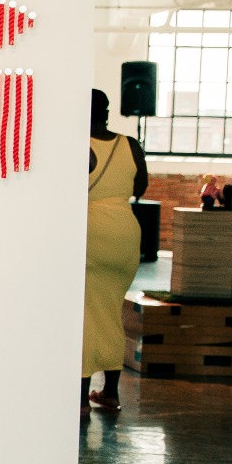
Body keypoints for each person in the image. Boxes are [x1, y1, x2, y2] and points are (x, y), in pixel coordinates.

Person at [84, 88, 147, 418]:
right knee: (111, 310)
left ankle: (80, 399)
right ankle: (110, 393)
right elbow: (141, 187)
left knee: (84, 315)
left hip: (92, 230)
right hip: (126, 232)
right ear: (108, 111)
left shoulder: (80, 144)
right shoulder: (130, 145)